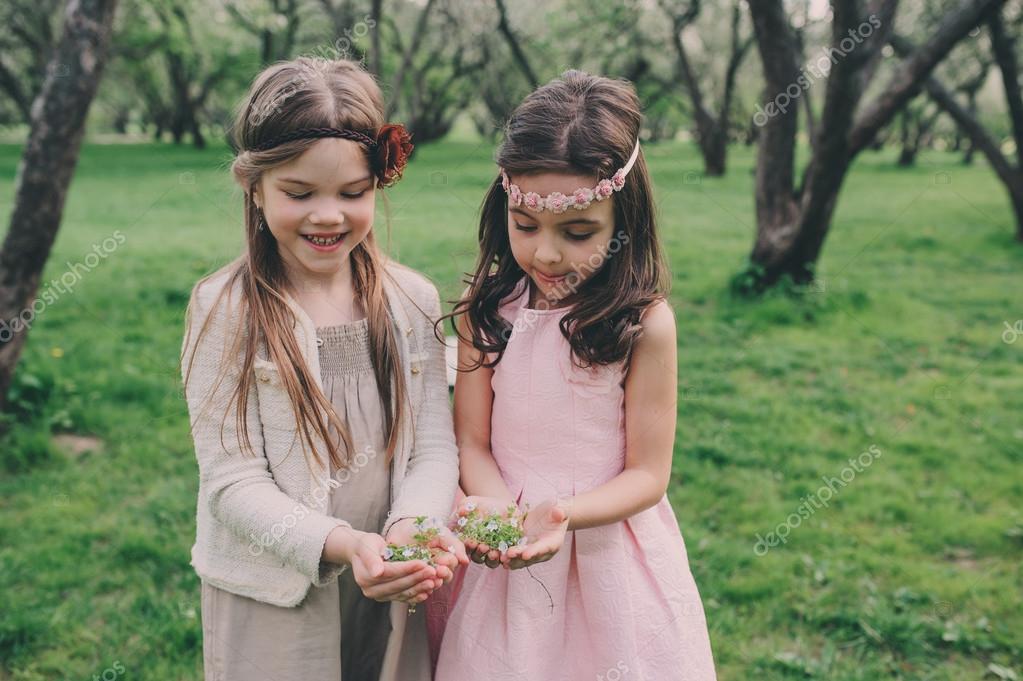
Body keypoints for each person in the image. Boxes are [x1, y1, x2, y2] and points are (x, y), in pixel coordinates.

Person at [180, 57, 466, 681]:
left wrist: (409, 534)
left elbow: (433, 448)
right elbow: (231, 481)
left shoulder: (410, 299)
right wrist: (343, 544)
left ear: (377, 186)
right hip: (274, 589)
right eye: (300, 193)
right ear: (254, 186)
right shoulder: (224, 310)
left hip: (390, 578)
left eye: (352, 193)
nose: (328, 215)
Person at [431, 71, 717, 680]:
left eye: (579, 232)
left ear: (624, 220)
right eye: (525, 225)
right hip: (506, 547)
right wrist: (496, 512)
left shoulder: (644, 325)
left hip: (608, 552)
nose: (547, 254)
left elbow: (647, 474)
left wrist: (561, 515)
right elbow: (472, 442)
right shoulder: (488, 307)